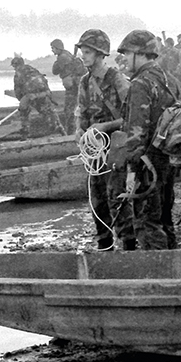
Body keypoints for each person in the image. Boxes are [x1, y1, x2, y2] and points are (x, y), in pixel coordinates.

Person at [118, 29, 180, 250]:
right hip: (168, 158)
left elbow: (137, 132)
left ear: (140, 53)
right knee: (165, 218)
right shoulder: (170, 79)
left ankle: (157, 268)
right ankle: (174, 264)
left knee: (147, 222)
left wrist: (132, 171)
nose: (124, 59)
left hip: (147, 164)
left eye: (127, 53)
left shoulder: (140, 84)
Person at [73, 29, 134, 251]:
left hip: (116, 146)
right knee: (97, 197)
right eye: (82, 52)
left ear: (100, 54)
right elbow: (81, 110)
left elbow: (132, 116)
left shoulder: (117, 79)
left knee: (117, 195)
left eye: (88, 52)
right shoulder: (84, 81)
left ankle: (129, 243)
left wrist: (105, 126)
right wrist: (79, 130)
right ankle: (104, 243)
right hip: (95, 149)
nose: (83, 56)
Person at [10, 55, 64, 138]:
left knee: (24, 112)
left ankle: (25, 133)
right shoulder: (33, 70)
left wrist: (22, 100)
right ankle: (60, 129)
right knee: (49, 112)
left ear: (15, 65)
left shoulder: (18, 74)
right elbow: (44, 81)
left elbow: (17, 91)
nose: (14, 68)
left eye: (14, 66)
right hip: (44, 93)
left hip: (31, 95)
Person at [50, 38, 86, 133]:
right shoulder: (68, 55)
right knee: (75, 108)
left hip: (72, 88)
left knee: (69, 110)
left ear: (58, 48)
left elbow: (54, 71)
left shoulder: (62, 57)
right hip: (75, 86)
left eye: (53, 48)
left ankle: (71, 132)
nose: (52, 50)